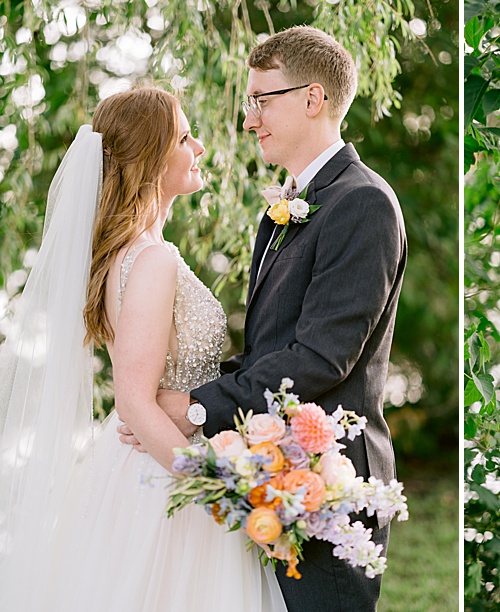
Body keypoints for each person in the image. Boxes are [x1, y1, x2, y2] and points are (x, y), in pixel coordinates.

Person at [117, 26, 407, 611]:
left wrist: (196, 405)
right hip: (268, 475)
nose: (250, 120)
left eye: (261, 100)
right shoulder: (279, 213)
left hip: (331, 486)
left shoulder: (364, 202)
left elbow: (322, 358)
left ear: (312, 99)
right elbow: (269, 350)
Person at [0, 86, 286, 610]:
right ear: (152, 158)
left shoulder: (129, 255)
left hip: (142, 461)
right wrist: (218, 492)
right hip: (163, 474)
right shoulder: (151, 260)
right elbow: (134, 400)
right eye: (183, 136)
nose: (198, 147)